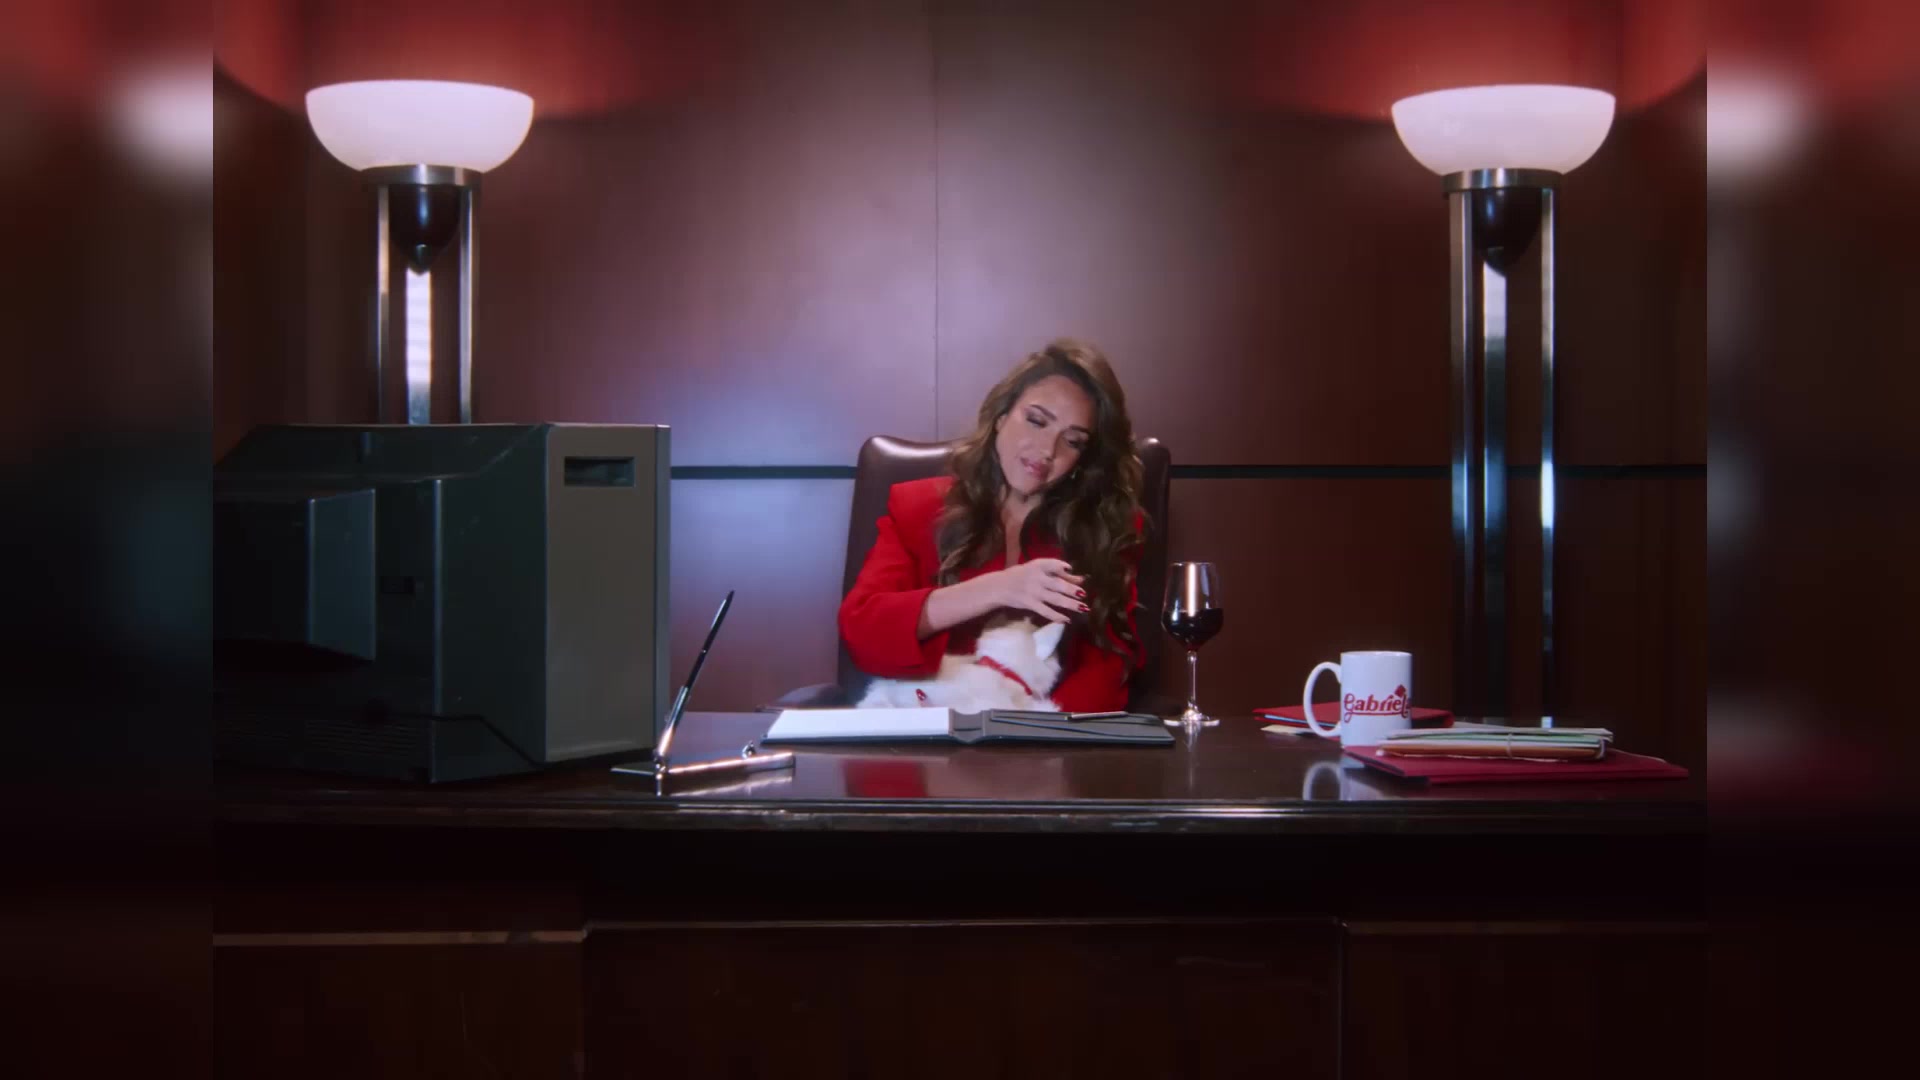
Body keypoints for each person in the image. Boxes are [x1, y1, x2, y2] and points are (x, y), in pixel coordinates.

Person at [838, 339, 1147, 712]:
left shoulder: (1102, 529)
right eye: (1036, 421)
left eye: (1073, 441)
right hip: (925, 732)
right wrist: (998, 588)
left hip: (1042, 741)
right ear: (1001, 416)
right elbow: (863, 632)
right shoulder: (916, 507)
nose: (1047, 450)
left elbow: (1106, 674)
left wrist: (1034, 735)